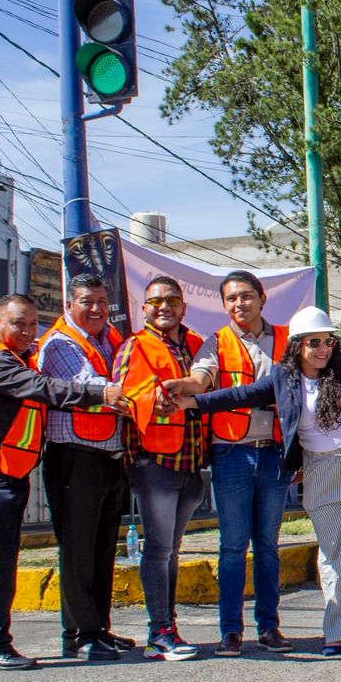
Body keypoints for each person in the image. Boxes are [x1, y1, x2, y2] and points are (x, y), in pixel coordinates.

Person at [171, 306, 341, 656]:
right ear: (297, 344)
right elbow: (241, 395)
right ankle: (338, 628)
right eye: (314, 342)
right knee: (334, 550)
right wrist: (193, 402)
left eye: (328, 341)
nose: (323, 349)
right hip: (319, 469)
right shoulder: (283, 376)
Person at [0, 295, 123, 670]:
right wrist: (101, 392)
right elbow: (47, 388)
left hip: (4, 474)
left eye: (33, 324)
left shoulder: (17, 358)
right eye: (19, 323)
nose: (29, 332)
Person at [168, 271, 295, 657]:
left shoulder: (287, 340)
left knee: (268, 545)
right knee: (233, 545)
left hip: (274, 453)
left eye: (246, 296)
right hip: (231, 453)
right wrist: (184, 387)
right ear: (224, 305)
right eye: (232, 299)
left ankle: (269, 627)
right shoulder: (216, 342)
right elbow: (201, 378)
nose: (240, 304)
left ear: (262, 298)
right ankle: (231, 632)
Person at [112, 275, 211, 661]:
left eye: (171, 300)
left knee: (172, 549)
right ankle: (160, 633)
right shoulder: (135, 346)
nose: (164, 307)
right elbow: (122, 397)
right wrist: (154, 401)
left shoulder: (197, 345)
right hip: (154, 461)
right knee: (158, 548)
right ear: (145, 309)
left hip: (191, 461)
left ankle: (168, 627)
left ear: (183, 307)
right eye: (156, 301)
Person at [35, 273, 132, 662]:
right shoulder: (60, 343)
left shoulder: (109, 338)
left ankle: (99, 627)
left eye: (101, 302)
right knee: (77, 549)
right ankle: (79, 634)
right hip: (74, 457)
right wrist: (135, 392)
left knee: (103, 547)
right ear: (69, 305)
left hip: (109, 455)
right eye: (87, 302)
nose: (96, 309)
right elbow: (92, 385)